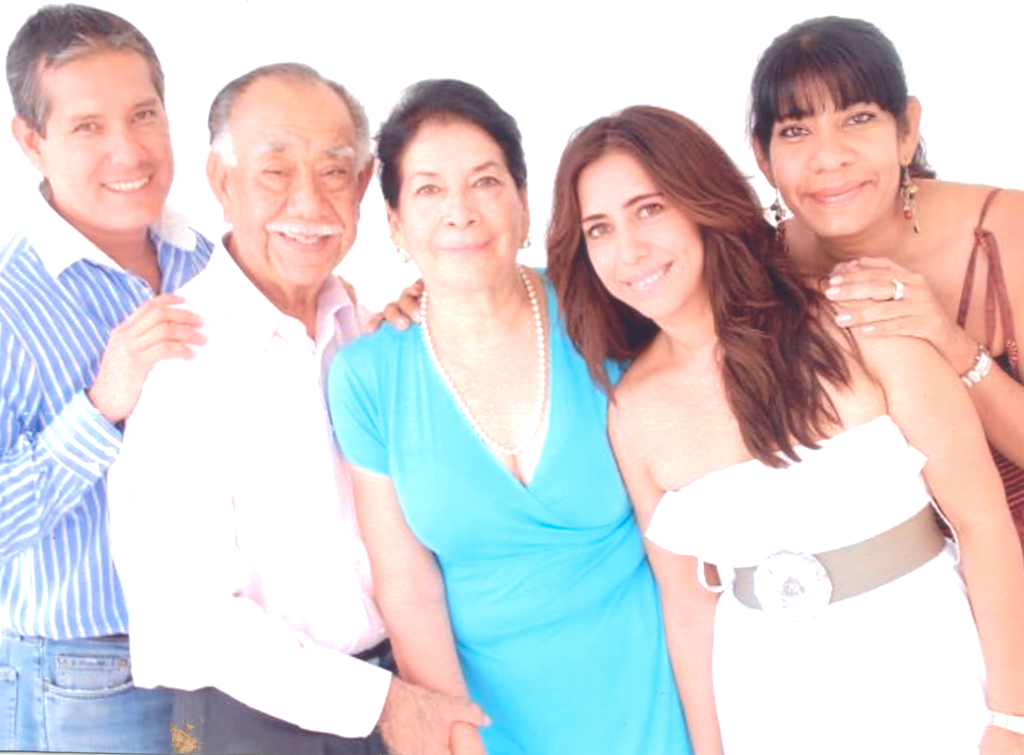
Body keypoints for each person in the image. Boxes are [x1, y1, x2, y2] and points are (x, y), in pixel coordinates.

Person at [546, 105, 1024, 755]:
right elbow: (689, 610)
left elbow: (982, 520)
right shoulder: (633, 412)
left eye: (649, 209)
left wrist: (1011, 717)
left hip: (931, 676)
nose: (628, 250)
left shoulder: (858, 321)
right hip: (768, 705)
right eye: (599, 228)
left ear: (702, 202)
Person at [106, 64, 487, 755]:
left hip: (396, 686)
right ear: (222, 182)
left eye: (334, 173)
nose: (308, 203)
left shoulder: (363, 330)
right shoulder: (179, 360)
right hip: (255, 720)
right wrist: (383, 703)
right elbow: (188, 617)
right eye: (275, 172)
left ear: (364, 185)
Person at [327, 79, 690, 755]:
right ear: (396, 224)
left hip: (658, 695)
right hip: (492, 722)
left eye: (485, 182)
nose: (460, 213)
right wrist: (458, 736)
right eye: (429, 190)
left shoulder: (606, 313)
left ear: (523, 204)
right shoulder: (367, 375)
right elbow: (407, 586)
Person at [0, 6, 211, 751]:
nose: (129, 150)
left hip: (220, 654)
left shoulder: (208, 260)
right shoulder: (7, 301)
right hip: (88, 675)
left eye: (143, 115)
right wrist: (100, 406)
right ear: (32, 141)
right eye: (88, 126)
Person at [748, 16, 1024, 547]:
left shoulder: (1007, 235)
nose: (829, 157)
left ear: (907, 131)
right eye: (796, 130)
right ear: (764, 158)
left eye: (858, 118)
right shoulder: (764, 266)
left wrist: (949, 343)